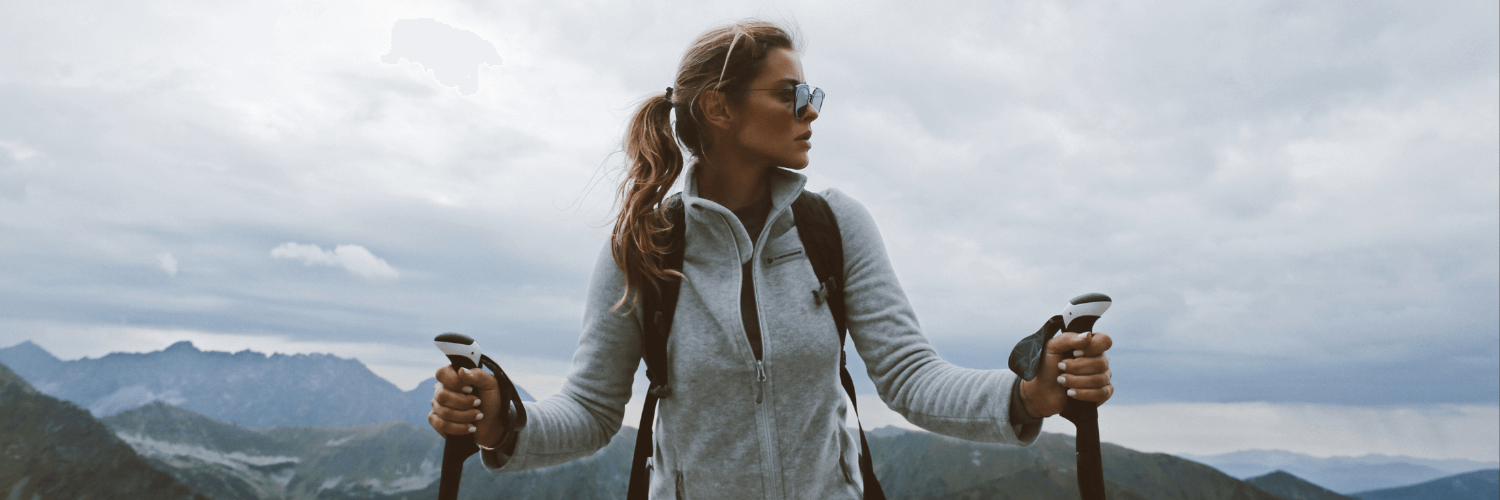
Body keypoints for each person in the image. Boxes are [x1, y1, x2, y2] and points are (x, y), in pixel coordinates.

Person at [429, 18, 1114, 499]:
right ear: (719, 109)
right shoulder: (643, 247)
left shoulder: (835, 225)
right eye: (792, 95)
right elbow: (590, 411)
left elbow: (910, 377)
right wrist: (501, 420)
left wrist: (1030, 395)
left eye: (813, 95)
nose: (812, 111)